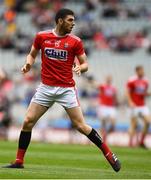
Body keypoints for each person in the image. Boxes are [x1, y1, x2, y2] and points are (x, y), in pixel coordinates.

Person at [4, 9, 121, 172]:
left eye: (73, 20)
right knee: (27, 121)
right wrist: (28, 64)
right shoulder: (42, 36)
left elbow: (85, 63)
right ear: (60, 21)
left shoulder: (76, 41)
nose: (73, 23)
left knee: (80, 126)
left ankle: (109, 154)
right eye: (70, 20)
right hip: (45, 88)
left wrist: (81, 68)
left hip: (66, 89)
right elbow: (32, 54)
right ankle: (19, 161)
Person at [126, 65, 151, 148]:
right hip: (134, 105)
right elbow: (127, 92)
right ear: (137, 71)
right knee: (134, 124)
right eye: (141, 70)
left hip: (142, 105)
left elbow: (143, 93)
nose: (143, 72)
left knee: (148, 122)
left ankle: (141, 141)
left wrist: (148, 94)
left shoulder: (146, 81)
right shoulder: (132, 80)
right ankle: (130, 144)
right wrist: (130, 102)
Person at [88, 75, 118, 142]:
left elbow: (115, 98)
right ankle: (103, 139)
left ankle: (106, 134)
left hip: (111, 107)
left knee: (113, 124)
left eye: (110, 79)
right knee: (103, 123)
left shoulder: (113, 88)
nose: (109, 80)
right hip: (103, 106)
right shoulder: (103, 86)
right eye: (108, 78)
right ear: (106, 79)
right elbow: (95, 85)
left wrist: (117, 103)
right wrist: (91, 80)